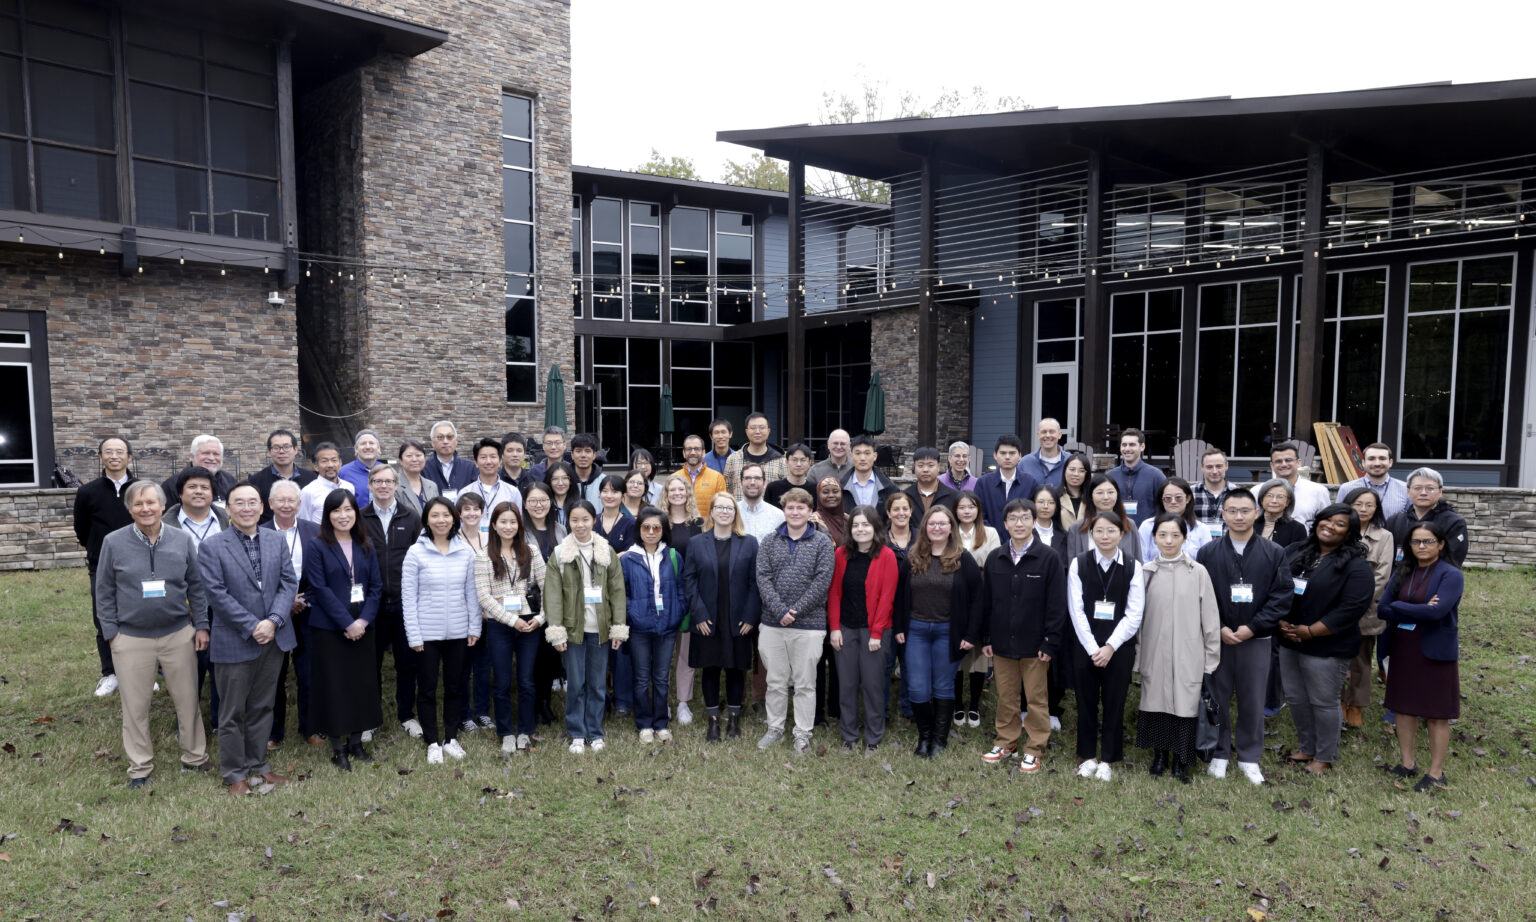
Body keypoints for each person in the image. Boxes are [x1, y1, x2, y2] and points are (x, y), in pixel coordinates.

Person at [95, 481, 212, 787]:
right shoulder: (113, 542)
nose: (145, 509)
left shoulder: (181, 539)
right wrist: (112, 634)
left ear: (163, 506)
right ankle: (140, 768)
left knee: (188, 701)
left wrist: (201, 625)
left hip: (178, 634)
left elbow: (196, 586)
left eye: (151, 503)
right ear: (130, 509)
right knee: (135, 707)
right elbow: (104, 591)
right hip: (131, 639)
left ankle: (195, 758)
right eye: (138, 504)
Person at [197, 484, 299, 794]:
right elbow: (215, 593)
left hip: (274, 637)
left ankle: (259, 764)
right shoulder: (212, 546)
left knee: (262, 706)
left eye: (252, 502)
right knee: (232, 712)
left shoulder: (276, 539)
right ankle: (234, 774)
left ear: (261, 507)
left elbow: (287, 582)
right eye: (238, 503)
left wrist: (274, 621)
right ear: (227, 509)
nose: (246, 508)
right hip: (235, 640)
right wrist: (253, 625)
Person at [1195, 490, 1291, 786]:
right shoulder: (1208, 552)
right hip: (1219, 638)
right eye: (1232, 510)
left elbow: (1282, 595)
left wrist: (1254, 627)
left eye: (1245, 511)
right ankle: (1220, 753)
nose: (1239, 516)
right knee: (1218, 697)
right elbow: (1202, 595)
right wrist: (1219, 627)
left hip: (1256, 638)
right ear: (1222, 514)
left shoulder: (1274, 552)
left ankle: (1249, 757)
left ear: (1256, 513)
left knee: (1252, 699)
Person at [1276, 504, 1375, 775]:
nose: (1330, 526)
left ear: (1349, 532)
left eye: (1340, 524)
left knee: (1323, 701)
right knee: (1296, 698)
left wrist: (1311, 631)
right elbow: (1277, 588)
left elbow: (1351, 608)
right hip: (1289, 640)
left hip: (1327, 646)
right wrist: (1280, 621)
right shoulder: (1295, 552)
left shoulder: (1356, 567)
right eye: (1326, 520)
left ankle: (1325, 755)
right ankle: (1306, 747)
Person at [975, 498, 1067, 774]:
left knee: (1037, 699)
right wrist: (987, 637)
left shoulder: (1048, 557)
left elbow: (1056, 603)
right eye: (1013, 518)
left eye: (1025, 518)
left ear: (1033, 521)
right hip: (1002, 643)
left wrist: (1050, 640)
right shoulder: (996, 557)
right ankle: (1007, 741)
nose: (1019, 523)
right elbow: (987, 602)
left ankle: (1035, 747)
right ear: (1004, 524)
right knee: (1006, 696)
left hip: (1036, 645)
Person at [1134, 514, 1222, 784]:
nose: (1169, 541)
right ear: (1154, 537)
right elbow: (1135, 618)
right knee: (1157, 703)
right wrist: (1137, 657)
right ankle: (1160, 756)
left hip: (1188, 653)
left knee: (1185, 707)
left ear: (1185, 538)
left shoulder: (1198, 572)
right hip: (1154, 651)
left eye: (1175, 535)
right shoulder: (1146, 572)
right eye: (1162, 535)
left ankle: (1182, 761)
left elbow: (1210, 618)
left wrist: (1210, 658)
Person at [1378, 521, 1462, 791]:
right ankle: (1407, 763)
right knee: (1404, 708)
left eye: (1428, 541)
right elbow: (1382, 608)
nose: (1422, 546)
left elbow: (1437, 612)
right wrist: (1417, 607)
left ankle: (1436, 773)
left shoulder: (1451, 575)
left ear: (1441, 544)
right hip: (1403, 646)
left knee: (1437, 713)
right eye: (1416, 542)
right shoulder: (1404, 571)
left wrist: (1400, 606)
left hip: (1435, 649)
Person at [303, 490, 383, 771]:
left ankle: (357, 743)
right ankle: (338, 749)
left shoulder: (366, 544)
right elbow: (319, 589)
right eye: (336, 510)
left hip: (363, 626)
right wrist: (346, 623)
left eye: (348, 509)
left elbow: (375, 588)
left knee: (361, 686)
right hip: (330, 629)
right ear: (328, 515)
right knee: (334, 688)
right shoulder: (316, 546)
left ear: (355, 513)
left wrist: (362, 622)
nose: (343, 515)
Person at [896, 503, 983, 759]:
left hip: (948, 631)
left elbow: (978, 599)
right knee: (917, 688)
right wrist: (900, 627)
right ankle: (924, 737)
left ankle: (939, 739)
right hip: (917, 631)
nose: (937, 527)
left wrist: (970, 635)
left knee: (944, 687)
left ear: (950, 528)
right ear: (925, 528)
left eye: (942, 523)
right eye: (932, 523)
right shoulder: (913, 557)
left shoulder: (963, 558)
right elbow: (900, 596)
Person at [754, 488, 836, 754]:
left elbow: (822, 581)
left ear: (810, 511)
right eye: (790, 507)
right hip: (772, 623)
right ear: (784, 510)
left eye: (801, 508)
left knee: (805, 683)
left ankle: (802, 732)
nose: (795, 512)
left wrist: (796, 611)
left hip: (809, 626)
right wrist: (780, 611)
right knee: (776, 681)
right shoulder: (769, 541)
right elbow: (763, 578)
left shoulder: (823, 542)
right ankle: (775, 727)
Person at [543, 500, 629, 753]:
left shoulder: (606, 551)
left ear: (594, 520)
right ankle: (577, 733)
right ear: (568, 522)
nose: (580, 525)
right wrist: (556, 630)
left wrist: (618, 627)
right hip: (572, 632)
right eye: (574, 520)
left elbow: (617, 591)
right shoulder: (560, 554)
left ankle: (595, 731)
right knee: (577, 683)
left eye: (585, 519)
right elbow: (553, 596)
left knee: (598, 684)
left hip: (600, 630)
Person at [1066, 511, 1145, 783]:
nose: (1105, 536)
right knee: (1085, 702)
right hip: (1085, 645)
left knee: (1115, 702)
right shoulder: (1080, 563)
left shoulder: (1134, 567)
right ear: (1091, 534)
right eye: (1099, 531)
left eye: (1111, 531)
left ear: (1122, 534)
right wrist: (1092, 647)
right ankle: (1087, 756)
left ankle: (1109, 758)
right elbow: (1076, 610)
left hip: (1119, 647)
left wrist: (1110, 646)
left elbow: (1134, 613)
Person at [402, 496, 481, 764]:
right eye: (435, 515)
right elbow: (408, 597)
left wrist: (474, 627)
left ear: (454, 518)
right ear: (426, 520)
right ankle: (432, 740)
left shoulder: (464, 551)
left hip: (459, 632)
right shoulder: (416, 552)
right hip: (426, 634)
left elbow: (471, 593)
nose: (441, 520)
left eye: (446, 515)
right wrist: (413, 634)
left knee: (455, 685)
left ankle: (451, 737)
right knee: (426, 688)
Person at [683, 492, 761, 742]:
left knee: (736, 669)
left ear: (735, 513)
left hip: (738, 618)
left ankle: (734, 721)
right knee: (711, 669)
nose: (725, 511)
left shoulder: (749, 543)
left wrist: (750, 616)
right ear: (712, 512)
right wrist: (699, 614)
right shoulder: (696, 543)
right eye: (720, 507)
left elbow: (754, 583)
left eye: (729, 508)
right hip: (707, 619)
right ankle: (713, 720)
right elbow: (689, 580)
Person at [474, 501, 547, 753]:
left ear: (519, 524)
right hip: (500, 626)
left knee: (527, 681)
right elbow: (484, 597)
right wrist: (510, 619)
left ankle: (526, 730)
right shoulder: (484, 556)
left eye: (513, 522)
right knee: (502, 682)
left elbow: (548, 587)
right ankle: (506, 731)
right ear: (493, 525)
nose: (508, 526)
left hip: (530, 624)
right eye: (503, 522)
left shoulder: (532, 552)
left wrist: (541, 618)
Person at [359, 464, 425, 741]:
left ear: (397, 485)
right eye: (378, 481)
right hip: (371, 604)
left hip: (404, 602)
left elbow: (421, 558)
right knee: (368, 663)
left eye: (388, 481)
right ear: (370, 485)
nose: (383, 486)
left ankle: (406, 715)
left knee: (406, 663)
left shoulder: (411, 517)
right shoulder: (359, 518)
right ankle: (369, 718)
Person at [828, 506, 899, 751]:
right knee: (846, 685)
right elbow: (835, 592)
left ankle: (873, 738)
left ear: (875, 527)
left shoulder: (887, 555)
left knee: (872, 685)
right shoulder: (841, 554)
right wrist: (835, 628)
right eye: (856, 525)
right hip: (846, 628)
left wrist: (877, 633)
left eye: (866, 524)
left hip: (874, 631)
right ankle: (849, 737)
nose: (860, 529)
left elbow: (887, 597)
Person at [163, 466, 229, 725]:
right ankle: (188, 726)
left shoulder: (226, 520)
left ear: (213, 493)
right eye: (192, 487)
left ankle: (219, 723)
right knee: (188, 670)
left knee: (222, 668)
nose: (199, 492)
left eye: (205, 487)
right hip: (183, 608)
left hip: (222, 605)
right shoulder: (165, 524)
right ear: (180, 493)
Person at [74, 436, 137, 697]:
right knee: (104, 618)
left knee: (140, 616)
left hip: (138, 563)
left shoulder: (141, 488)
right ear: (101, 457)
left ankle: (141, 671)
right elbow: (82, 530)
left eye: (119, 451)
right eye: (108, 451)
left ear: (129, 457)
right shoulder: (87, 492)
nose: (114, 456)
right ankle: (110, 673)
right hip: (101, 564)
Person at [261, 480, 320, 748]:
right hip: (272, 613)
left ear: (299, 504)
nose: (286, 505)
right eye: (280, 500)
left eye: (291, 500)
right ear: (271, 504)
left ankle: (310, 728)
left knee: (309, 674)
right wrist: (284, 603)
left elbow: (322, 574)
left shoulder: (315, 532)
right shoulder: (258, 533)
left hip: (308, 611)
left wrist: (301, 599)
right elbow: (255, 579)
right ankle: (273, 733)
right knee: (274, 675)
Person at [620, 508, 687, 743]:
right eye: (646, 527)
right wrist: (632, 613)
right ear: (639, 529)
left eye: (656, 527)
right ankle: (644, 724)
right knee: (640, 678)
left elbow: (681, 588)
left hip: (667, 626)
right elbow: (623, 593)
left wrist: (677, 612)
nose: (651, 532)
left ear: (663, 530)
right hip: (639, 627)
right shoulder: (628, 558)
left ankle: (661, 723)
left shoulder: (673, 556)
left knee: (661, 677)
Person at [1341, 487, 1395, 729]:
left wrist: (1355, 604)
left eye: (1369, 505)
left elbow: (1382, 576)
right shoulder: (1337, 530)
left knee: (1361, 660)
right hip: (1333, 608)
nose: (1363, 509)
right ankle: (1337, 702)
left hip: (1366, 610)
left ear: (1376, 509)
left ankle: (1355, 705)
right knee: (1334, 658)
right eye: (1358, 504)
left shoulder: (1385, 537)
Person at [952, 490, 1000, 729]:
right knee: (958, 652)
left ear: (978, 510)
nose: (967, 511)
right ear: (955, 511)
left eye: (971, 507)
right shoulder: (950, 532)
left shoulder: (990, 533)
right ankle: (957, 705)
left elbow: (994, 563)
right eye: (962, 507)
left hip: (982, 595)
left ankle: (974, 706)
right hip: (955, 597)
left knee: (979, 653)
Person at [521, 482, 566, 726]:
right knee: (532, 657)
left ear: (551, 502)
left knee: (550, 656)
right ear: (525, 504)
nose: (539, 505)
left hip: (556, 601)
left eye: (543, 500)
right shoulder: (519, 531)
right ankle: (532, 705)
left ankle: (545, 703)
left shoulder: (560, 530)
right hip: (529, 603)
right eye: (533, 501)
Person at [1386, 468, 1469, 567]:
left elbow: (1452, 561)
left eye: (1430, 488)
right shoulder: (1395, 521)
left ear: (1440, 491)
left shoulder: (1454, 523)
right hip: (1399, 580)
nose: (1423, 493)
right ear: (1408, 491)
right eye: (1417, 488)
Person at [1252, 441, 1330, 530]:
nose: (1284, 464)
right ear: (1272, 465)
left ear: (1299, 463)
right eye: (1278, 461)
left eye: (1288, 460)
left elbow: (1325, 522)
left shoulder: (1318, 491)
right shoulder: (1257, 491)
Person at [1066, 474, 1141, 561]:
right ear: (1091, 496)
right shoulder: (1076, 528)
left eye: (1110, 492)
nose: (1106, 497)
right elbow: (1072, 565)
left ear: (1117, 495)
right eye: (1100, 493)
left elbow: (1138, 561)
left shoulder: (1129, 525)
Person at [247, 429, 316, 522]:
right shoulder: (256, 481)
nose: (282, 451)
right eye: (276, 447)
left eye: (286, 446)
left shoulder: (311, 479)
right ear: (269, 451)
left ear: (295, 450)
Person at [1137, 477, 1211, 563]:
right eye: (1168, 498)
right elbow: (1142, 560)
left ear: (1188, 499)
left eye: (1178, 498)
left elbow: (1207, 562)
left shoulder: (1201, 529)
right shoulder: (1147, 526)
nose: (1173, 502)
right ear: (1162, 500)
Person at [975, 435, 1038, 531]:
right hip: (990, 541)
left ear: (1020, 456)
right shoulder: (983, 483)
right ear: (995, 455)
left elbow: (1034, 515)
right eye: (1003, 453)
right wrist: (993, 537)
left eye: (1012, 453)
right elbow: (979, 515)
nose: (1007, 457)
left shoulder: (1030, 483)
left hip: (1022, 539)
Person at [1106, 428, 1165, 527]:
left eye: (1132, 445)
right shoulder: (1110, 476)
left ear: (1142, 447)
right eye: (1124, 445)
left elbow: (1165, 507)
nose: (1127, 449)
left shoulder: (1156, 475)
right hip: (1117, 533)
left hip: (1147, 535)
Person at [161, 434, 237, 506]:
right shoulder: (172, 485)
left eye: (216, 454)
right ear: (192, 456)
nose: (211, 458)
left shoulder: (230, 481)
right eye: (206, 453)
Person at [724, 412, 787, 497]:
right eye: (753, 428)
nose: (757, 431)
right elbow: (727, 491)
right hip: (740, 510)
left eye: (762, 428)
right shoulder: (733, 459)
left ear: (768, 431)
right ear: (746, 431)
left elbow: (786, 494)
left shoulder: (782, 460)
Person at [840, 435, 898, 513]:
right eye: (858, 453)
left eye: (867, 453)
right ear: (851, 456)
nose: (862, 458)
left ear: (874, 456)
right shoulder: (840, 488)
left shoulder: (890, 488)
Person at [298, 443, 353, 525]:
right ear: (316, 466)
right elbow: (303, 524)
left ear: (340, 463)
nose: (330, 465)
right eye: (324, 461)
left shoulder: (349, 487)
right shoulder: (308, 492)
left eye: (334, 460)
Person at [674, 433, 728, 514]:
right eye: (689, 449)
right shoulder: (674, 478)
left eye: (696, 449)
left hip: (708, 526)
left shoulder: (717, 478)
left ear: (703, 453)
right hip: (682, 525)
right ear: (684, 453)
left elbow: (722, 506)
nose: (693, 452)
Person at [466, 437, 522, 515]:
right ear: (476, 462)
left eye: (493, 457)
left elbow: (518, 521)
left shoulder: (513, 493)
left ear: (500, 461)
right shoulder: (466, 492)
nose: (488, 461)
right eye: (483, 457)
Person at [424, 420, 477, 496]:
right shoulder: (424, 468)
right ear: (432, 443)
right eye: (440, 437)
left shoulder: (470, 467)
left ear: (456, 441)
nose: (445, 441)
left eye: (449, 437)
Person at [903, 446, 959, 517]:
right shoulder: (905, 496)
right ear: (914, 467)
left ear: (938, 467)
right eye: (920, 465)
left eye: (931, 465)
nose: (925, 469)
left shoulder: (952, 496)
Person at [1191, 448, 1236, 536]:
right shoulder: (1190, 493)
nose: (1214, 471)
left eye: (1219, 466)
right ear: (1202, 468)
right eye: (1209, 467)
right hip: (1198, 547)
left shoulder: (1237, 494)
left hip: (1228, 547)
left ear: (1226, 466)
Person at [737, 463, 786, 539]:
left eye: (757, 478)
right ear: (740, 483)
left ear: (764, 483)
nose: (752, 482)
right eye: (747, 478)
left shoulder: (778, 516)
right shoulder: (731, 513)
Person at [338, 429, 385, 508]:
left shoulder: (386, 471)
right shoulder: (343, 472)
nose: (367, 447)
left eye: (371, 443)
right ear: (356, 448)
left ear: (378, 448)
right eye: (363, 443)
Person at [1255, 478, 1308, 549]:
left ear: (1288, 502)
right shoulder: (1249, 523)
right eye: (1270, 495)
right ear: (1261, 500)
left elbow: (1298, 557)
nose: (1274, 501)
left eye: (1280, 497)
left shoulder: (1297, 529)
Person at [1019, 417, 1069, 487]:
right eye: (1043, 432)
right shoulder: (1025, 463)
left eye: (1052, 432)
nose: (1048, 435)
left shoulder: (1070, 461)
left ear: (1059, 435)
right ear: (1038, 435)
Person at [396, 439, 440, 517]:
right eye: (409, 456)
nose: (414, 459)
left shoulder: (432, 486)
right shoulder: (394, 485)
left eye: (418, 455)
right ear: (401, 461)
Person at [594, 475, 636, 553]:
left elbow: (630, 552)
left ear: (623, 496)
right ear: (600, 494)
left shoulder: (630, 523)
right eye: (605, 491)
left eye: (614, 492)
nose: (609, 496)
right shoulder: (592, 521)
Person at [766, 443, 815, 508]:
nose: (798, 464)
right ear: (787, 462)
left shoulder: (815, 489)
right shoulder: (773, 488)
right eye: (794, 460)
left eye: (803, 460)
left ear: (809, 462)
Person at [1056, 453, 1091, 531]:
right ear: (1065, 471)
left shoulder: (1092, 497)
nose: (1076, 474)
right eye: (1072, 469)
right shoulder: (1055, 496)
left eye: (1081, 471)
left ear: (1087, 474)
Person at [569, 433, 606, 503]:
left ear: (594, 455)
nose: (583, 455)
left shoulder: (604, 481)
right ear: (572, 455)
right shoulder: (564, 480)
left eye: (587, 451)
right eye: (578, 451)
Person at [815, 477, 849, 546]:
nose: (831, 495)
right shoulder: (813, 521)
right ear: (818, 495)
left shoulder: (848, 519)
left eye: (835, 491)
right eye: (825, 492)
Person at [544, 461, 578, 527]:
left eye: (565, 478)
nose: (560, 483)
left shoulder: (579, 505)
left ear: (570, 481)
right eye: (555, 479)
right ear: (549, 481)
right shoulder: (544, 505)